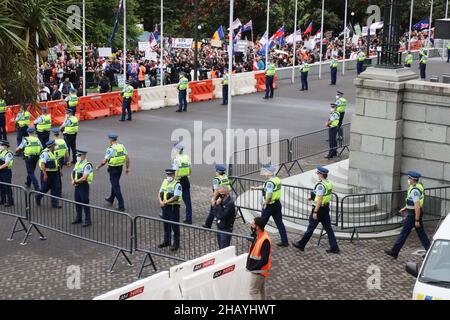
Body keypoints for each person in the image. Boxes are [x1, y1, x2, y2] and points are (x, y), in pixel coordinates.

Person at [292, 166, 340, 254]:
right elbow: (322, 196)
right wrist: (312, 197)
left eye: (318, 173)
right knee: (329, 229)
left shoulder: (320, 185)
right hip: (325, 208)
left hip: (319, 209)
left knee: (310, 228)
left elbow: (320, 199)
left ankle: (301, 244)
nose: (317, 174)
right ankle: (335, 247)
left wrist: (315, 211)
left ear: (321, 174)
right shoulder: (328, 183)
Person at [385, 171, 431, 259]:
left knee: (404, 233)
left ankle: (394, 251)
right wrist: (405, 208)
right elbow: (412, 203)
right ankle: (429, 251)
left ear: (413, 180)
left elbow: (417, 206)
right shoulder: (418, 185)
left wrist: (416, 220)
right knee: (421, 233)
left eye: (409, 178)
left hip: (413, 215)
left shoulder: (414, 190)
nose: (408, 180)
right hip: (415, 212)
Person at [251, 164, 289, 247]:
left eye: (265, 171)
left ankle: (254, 237)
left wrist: (266, 203)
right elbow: (266, 188)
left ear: (269, 173)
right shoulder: (276, 179)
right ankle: (285, 241)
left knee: (261, 222)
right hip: (277, 204)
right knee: (279, 223)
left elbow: (270, 194)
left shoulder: (270, 182)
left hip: (270, 205)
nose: (264, 173)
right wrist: (256, 188)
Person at [95, 133, 130, 212]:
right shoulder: (121, 146)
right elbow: (127, 157)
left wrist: (98, 166)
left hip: (113, 169)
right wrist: (127, 168)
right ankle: (111, 198)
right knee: (115, 183)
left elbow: (104, 161)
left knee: (116, 186)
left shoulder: (111, 149)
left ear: (110, 140)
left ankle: (121, 205)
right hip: (120, 168)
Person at [246, 217, 272, 300]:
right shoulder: (259, 235)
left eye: (253, 224)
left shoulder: (265, 240)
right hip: (259, 269)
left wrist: (254, 267)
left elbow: (264, 259)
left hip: (258, 271)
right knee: (261, 289)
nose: (251, 225)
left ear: (257, 227)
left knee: (253, 291)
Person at [158, 169, 182, 251]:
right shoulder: (165, 181)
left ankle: (176, 244)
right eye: (168, 175)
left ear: (174, 175)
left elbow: (176, 197)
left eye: (170, 175)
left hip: (173, 208)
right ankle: (167, 241)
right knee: (166, 225)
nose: (169, 177)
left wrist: (166, 202)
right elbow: (160, 192)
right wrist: (160, 201)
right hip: (165, 207)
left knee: (175, 226)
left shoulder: (177, 184)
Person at [203, 164, 232, 228]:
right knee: (221, 210)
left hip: (218, 196)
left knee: (213, 210)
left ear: (217, 172)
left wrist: (214, 198)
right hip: (225, 196)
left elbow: (216, 190)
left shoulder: (216, 179)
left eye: (216, 171)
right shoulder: (225, 177)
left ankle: (208, 224)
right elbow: (229, 188)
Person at [36, 140, 62, 209]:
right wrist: (45, 174)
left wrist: (59, 170)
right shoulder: (45, 153)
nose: (55, 146)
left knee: (55, 188)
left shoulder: (55, 152)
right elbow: (42, 164)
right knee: (45, 188)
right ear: (51, 146)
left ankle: (54, 204)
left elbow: (56, 162)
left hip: (55, 173)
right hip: (47, 173)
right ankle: (38, 197)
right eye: (54, 145)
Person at [71, 150, 93, 227]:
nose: (78, 157)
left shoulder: (87, 165)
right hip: (77, 185)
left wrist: (75, 181)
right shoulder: (77, 163)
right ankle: (78, 218)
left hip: (84, 185)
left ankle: (88, 220)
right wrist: (73, 180)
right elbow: (72, 172)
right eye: (77, 155)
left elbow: (84, 178)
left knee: (85, 202)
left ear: (84, 156)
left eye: (79, 155)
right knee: (77, 202)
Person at [172, 143, 192, 224]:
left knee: (172, 197)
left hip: (178, 180)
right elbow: (190, 170)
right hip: (186, 180)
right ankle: (188, 219)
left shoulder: (177, 159)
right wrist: (187, 176)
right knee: (188, 201)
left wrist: (174, 180)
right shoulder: (187, 157)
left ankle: (168, 214)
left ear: (177, 150)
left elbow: (175, 171)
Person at [0, 140, 14, 206]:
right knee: (1, 186)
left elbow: (6, 164)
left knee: (7, 186)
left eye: (2, 145)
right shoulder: (1, 152)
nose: (1, 146)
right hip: (1, 171)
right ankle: (3, 200)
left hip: (6, 171)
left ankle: (10, 201)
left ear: (5, 146)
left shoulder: (9, 153)